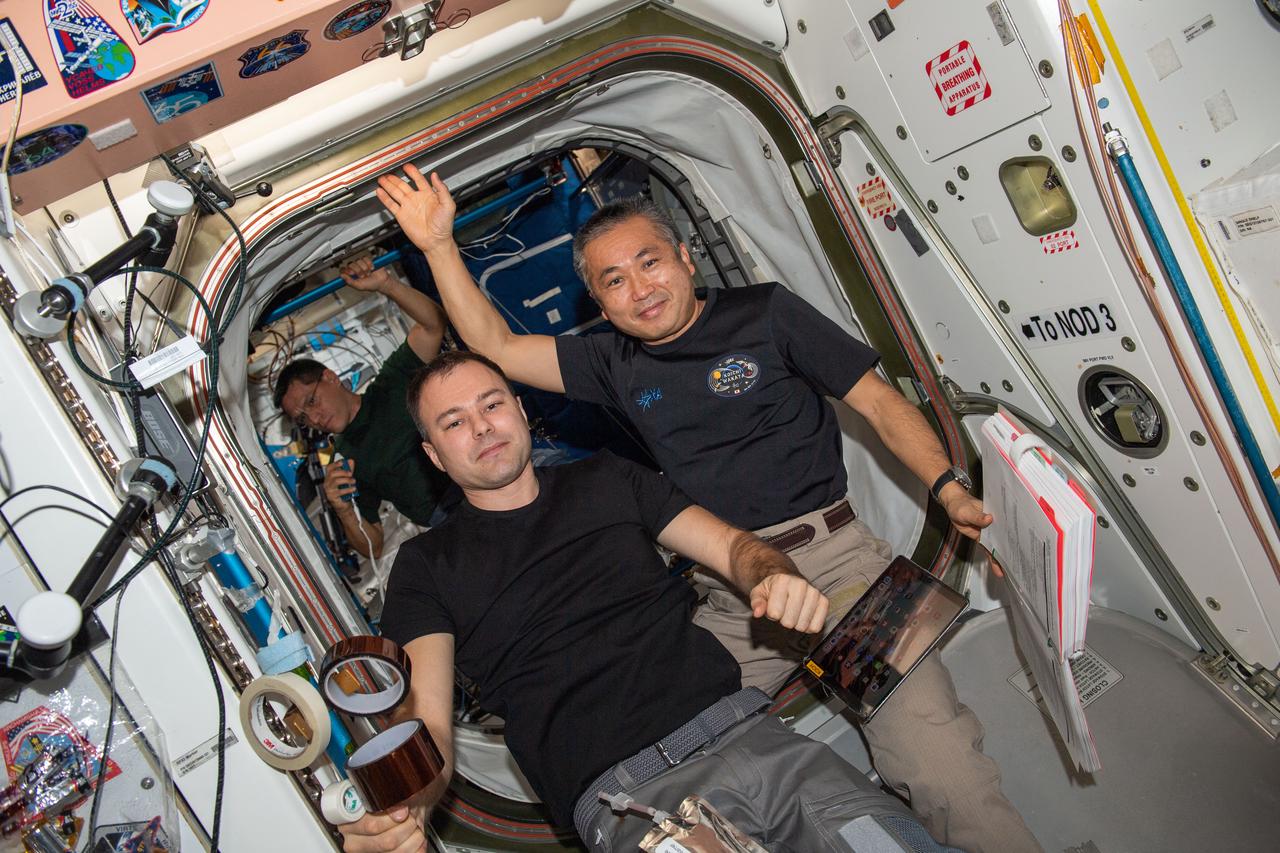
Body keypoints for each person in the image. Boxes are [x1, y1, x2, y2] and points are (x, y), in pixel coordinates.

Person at [374, 165, 1042, 852]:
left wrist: (947, 486)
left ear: (685, 258)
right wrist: (438, 247)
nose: (640, 289)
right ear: (599, 303)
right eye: (614, 281)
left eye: (650, 262)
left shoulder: (767, 314)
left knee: (940, 767)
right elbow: (496, 346)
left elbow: (877, 400)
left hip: (841, 571)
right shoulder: (612, 362)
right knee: (671, 713)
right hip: (727, 598)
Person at [339, 350, 956, 853]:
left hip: (753, 737)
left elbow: (734, 547)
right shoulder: (425, 568)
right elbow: (428, 726)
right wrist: (407, 808)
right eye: (453, 423)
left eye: (492, 404)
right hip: (635, 802)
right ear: (433, 455)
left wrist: (772, 573)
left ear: (521, 411)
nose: (481, 428)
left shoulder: (606, 478)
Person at [274, 256, 451, 558]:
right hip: (450, 523)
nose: (314, 418)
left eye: (311, 401)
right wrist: (343, 510)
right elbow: (374, 547)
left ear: (330, 378)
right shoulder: (345, 463)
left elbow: (433, 324)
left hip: (480, 473)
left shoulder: (392, 382)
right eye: (303, 419)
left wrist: (386, 284)